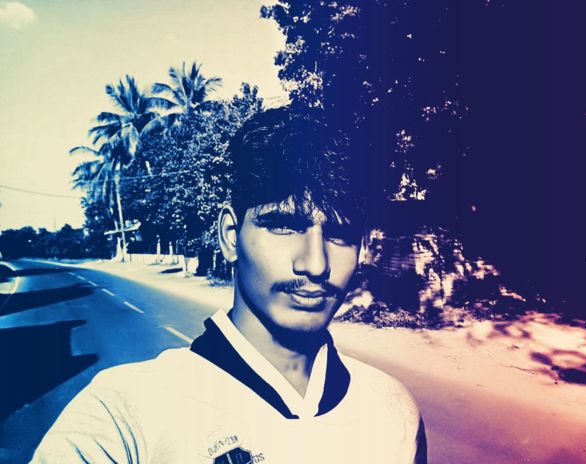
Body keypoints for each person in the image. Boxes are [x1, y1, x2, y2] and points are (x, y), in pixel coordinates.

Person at [30, 108, 427, 463]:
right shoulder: (123, 416)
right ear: (230, 237)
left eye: (340, 235)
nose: (315, 264)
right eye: (283, 226)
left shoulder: (392, 411)